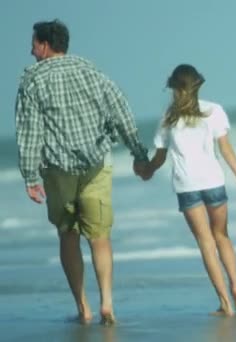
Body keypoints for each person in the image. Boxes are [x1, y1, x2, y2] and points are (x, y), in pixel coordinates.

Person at [15, 19, 149, 324]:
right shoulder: (92, 70)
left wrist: (30, 177)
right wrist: (139, 154)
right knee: (100, 237)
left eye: (34, 44)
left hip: (58, 170)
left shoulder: (32, 81)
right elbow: (121, 112)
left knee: (68, 234)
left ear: (46, 46)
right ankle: (108, 304)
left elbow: (30, 132)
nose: (31, 50)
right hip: (96, 165)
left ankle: (83, 308)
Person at [142, 64, 236, 316]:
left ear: (176, 89)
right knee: (222, 236)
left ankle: (225, 302)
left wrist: (147, 170)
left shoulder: (169, 118)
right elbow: (226, 149)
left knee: (205, 242)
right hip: (213, 181)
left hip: (187, 186)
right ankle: (235, 285)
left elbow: (158, 158)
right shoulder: (214, 111)